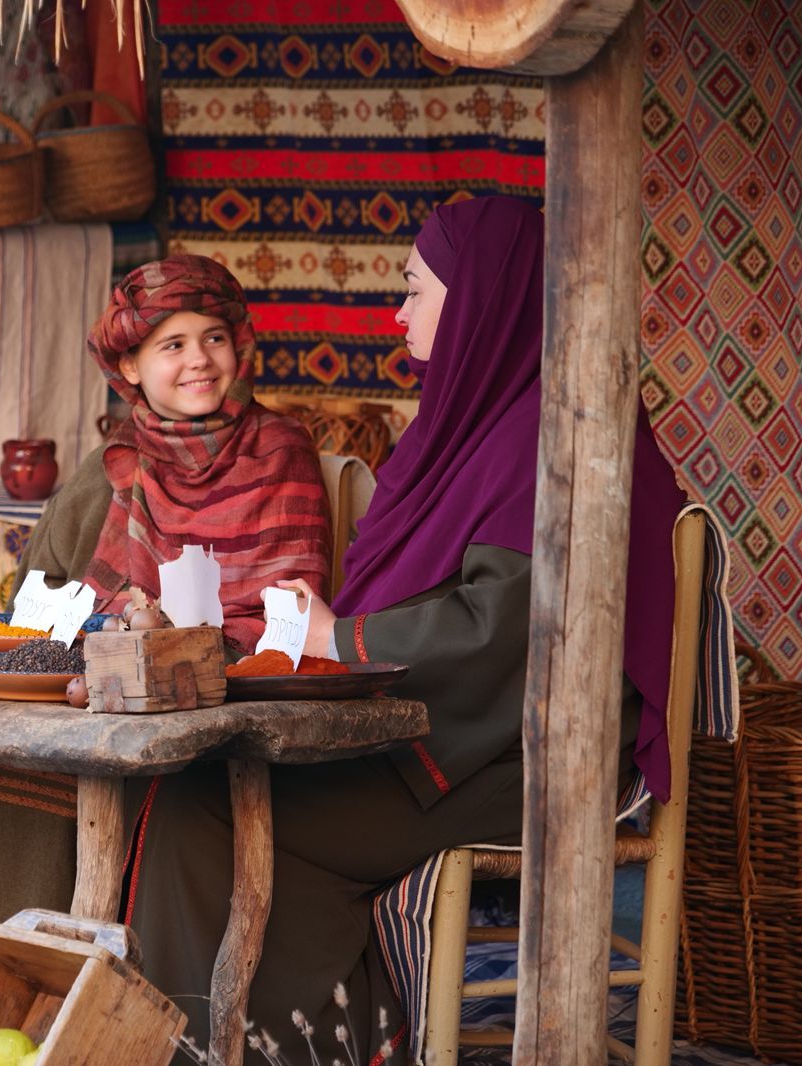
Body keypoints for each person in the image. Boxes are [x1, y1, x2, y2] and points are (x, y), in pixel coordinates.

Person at [122, 196, 689, 1063]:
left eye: (416, 289)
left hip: (529, 753)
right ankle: (314, 1034)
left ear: (482, 299)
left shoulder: (565, 442)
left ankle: (274, 1045)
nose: (398, 312)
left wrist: (337, 644)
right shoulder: (487, 425)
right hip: (457, 727)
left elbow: (511, 630)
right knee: (199, 787)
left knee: (210, 805)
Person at [0, 254, 332, 970]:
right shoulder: (114, 462)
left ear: (240, 345)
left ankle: (49, 981)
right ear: (133, 367)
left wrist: (171, 648)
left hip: (210, 703)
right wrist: (105, 634)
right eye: (171, 346)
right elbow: (38, 603)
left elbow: (289, 621)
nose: (199, 361)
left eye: (213, 337)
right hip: (91, 680)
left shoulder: (281, 451)